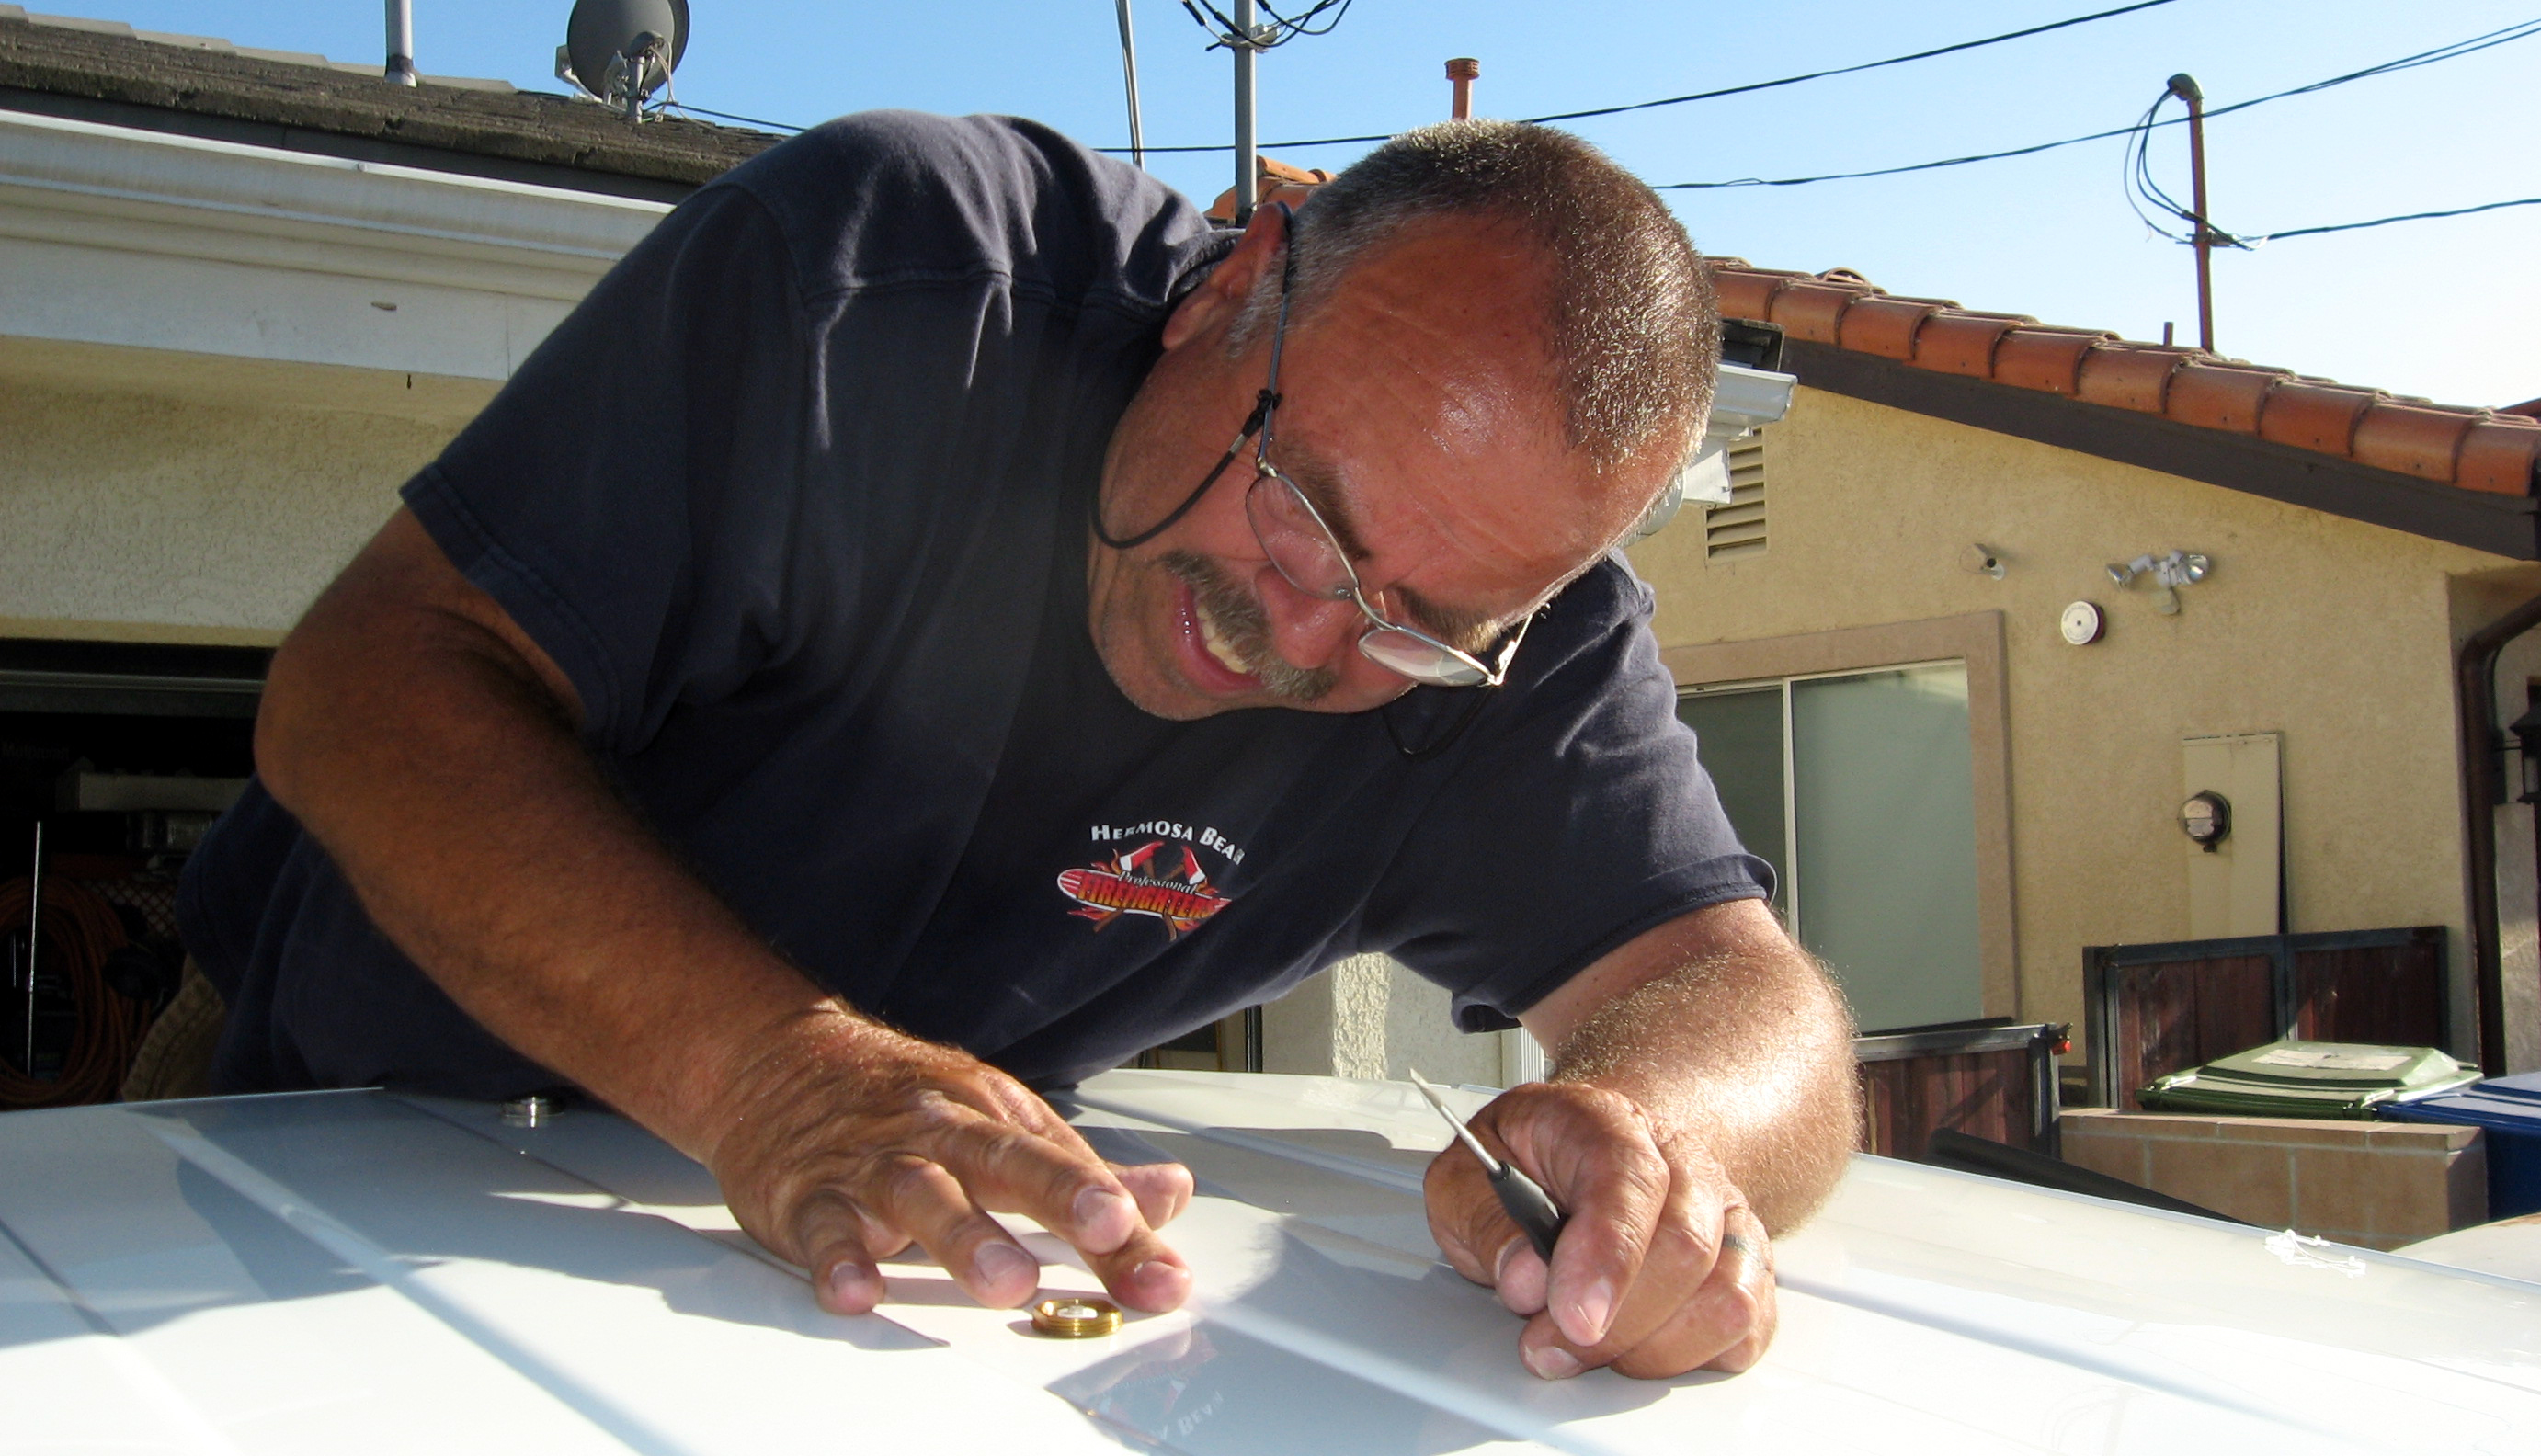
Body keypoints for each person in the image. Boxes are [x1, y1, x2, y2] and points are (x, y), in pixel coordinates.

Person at [180, 111, 1858, 1382]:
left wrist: (1648, 1143)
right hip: (295, 1155)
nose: (1304, 633)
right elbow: (366, 686)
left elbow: (1756, 1006)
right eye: (1302, 511)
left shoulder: (1503, 646)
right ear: (1235, 288)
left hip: (869, 1323)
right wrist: (771, 1076)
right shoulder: (890, 285)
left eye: (1417, 623)